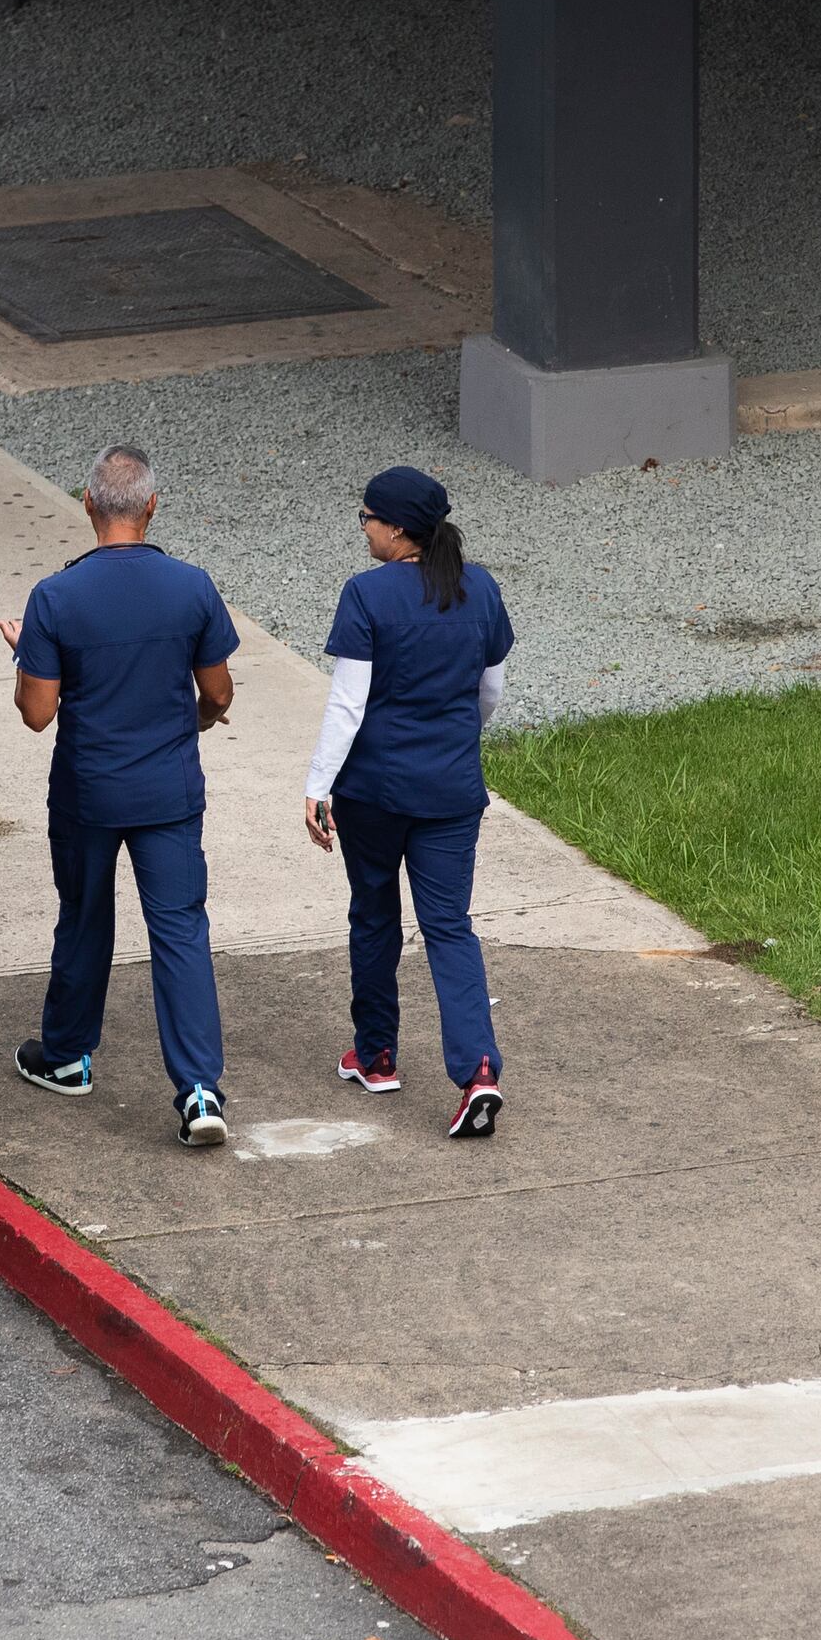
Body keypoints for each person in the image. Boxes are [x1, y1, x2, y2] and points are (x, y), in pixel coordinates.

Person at [0, 445, 239, 1147]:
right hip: (168, 791)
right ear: (153, 505)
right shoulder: (191, 586)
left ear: (88, 503)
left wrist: (26, 653)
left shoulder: (55, 597)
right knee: (181, 932)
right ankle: (198, 1090)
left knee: (84, 917)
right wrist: (187, 722)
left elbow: (39, 713)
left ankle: (68, 1054)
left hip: (87, 791)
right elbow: (218, 691)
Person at [301, 466, 515, 1139]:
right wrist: (454, 741)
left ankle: (377, 1055)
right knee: (449, 925)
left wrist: (316, 785)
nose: (361, 526)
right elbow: (491, 691)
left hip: (374, 791)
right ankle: (479, 1069)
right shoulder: (478, 587)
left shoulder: (367, 596)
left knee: (374, 914)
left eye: (365, 516)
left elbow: (347, 704)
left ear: (396, 528)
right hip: (451, 790)